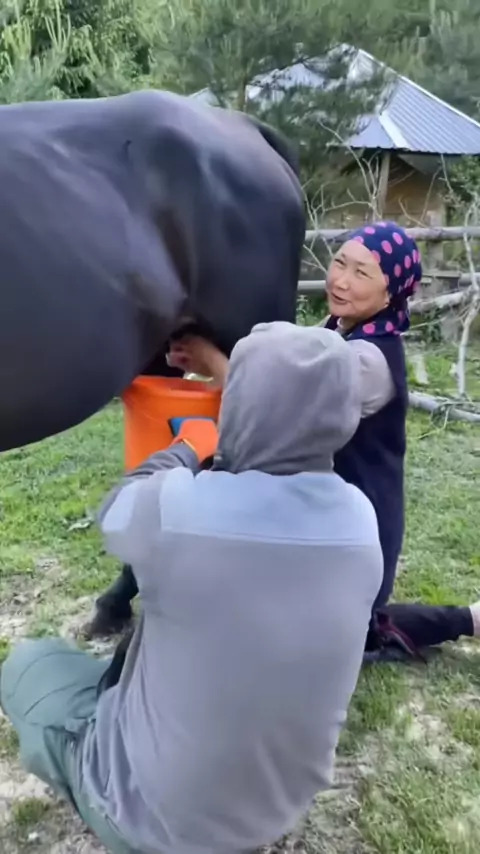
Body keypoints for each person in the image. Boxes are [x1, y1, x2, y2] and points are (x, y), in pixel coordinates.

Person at [0, 323, 382, 854]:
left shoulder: (183, 513)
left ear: (241, 399)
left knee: (29, 663)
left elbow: (114, 514)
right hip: (271, 815)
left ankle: (99, 789)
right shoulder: (360, 521)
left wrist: (187, 447)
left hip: (149, 825)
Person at [165, 221, 480, 661]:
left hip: (351, 537)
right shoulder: (337, 330)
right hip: (315, 512)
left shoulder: (369, 361)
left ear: (390, 295)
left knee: (318, 637)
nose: (341, 281)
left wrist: (214, 361)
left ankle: (466, 620)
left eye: (362, 273)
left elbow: (279, 404)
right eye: (339, 263)